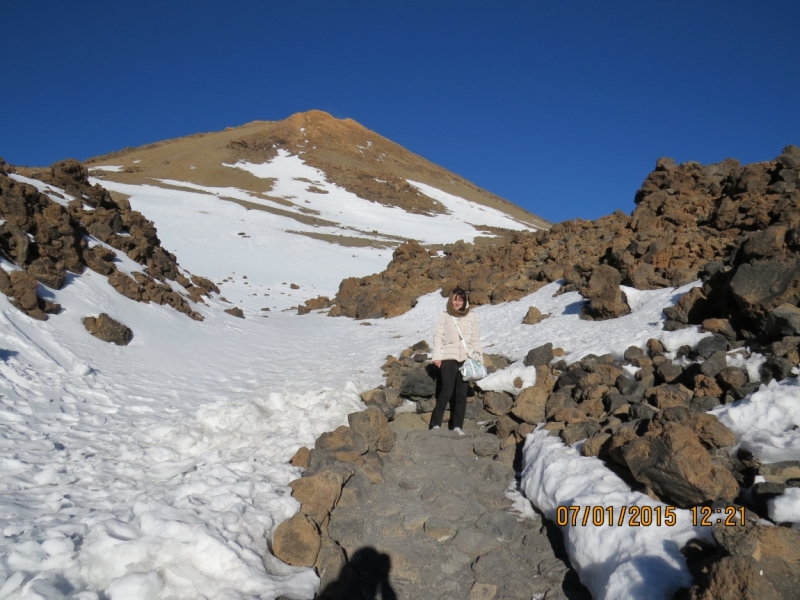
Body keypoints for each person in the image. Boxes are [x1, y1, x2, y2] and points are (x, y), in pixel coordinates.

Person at [431, 288, 481, 435]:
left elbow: (475, 337)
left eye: (461, 300)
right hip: (448, 357)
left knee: (461, 393)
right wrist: (436, 357)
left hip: (466, 358)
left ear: (464, 301)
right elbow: (438, 336)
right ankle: (435, 424)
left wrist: (478, 356)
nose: (457, 302)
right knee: (446, 391)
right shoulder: (444, 316)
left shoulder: (472, 316)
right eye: (455, 299)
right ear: (450, 300)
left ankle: (457, 426)